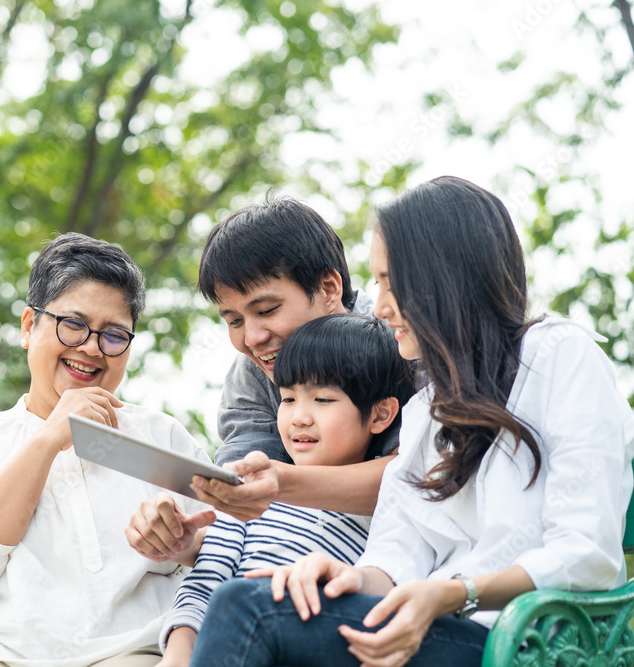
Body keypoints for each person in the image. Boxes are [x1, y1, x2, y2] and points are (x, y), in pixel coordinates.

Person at [185, 176, 634, 667]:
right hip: (436, 624)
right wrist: (347, 578)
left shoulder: (558, 354)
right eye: (378, 284)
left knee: (247, 613)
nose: (378, 307)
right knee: (271, 596)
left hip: (527, 641)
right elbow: (399, 549)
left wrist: (451, 594)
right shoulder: (428, 407)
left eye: (393, 284)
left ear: (447, 278)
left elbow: (587, 552)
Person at [0, 233, 214, 667]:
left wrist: (183, 544)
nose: (91, 347)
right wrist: (48, 440)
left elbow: (231, 552)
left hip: (134, 654)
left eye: (114, 335)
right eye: (74, 324)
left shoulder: (161, 437)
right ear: (29, 326)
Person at [127, 196, 394, 565]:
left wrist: (282, 484)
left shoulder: (400, 346)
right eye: (234, 321)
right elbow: (244, 501)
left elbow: (422, 479)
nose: (252, 338)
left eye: (267, 311)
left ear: (330, 289)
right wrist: (186, 537)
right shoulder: (252, 373)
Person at [156, 314, 416, 667]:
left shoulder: (389, 520)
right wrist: (176, 656)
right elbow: (206, 581)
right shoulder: (251, 500)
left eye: (322, 400)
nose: (299, 417)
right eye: (288, 399)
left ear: (380, 415)